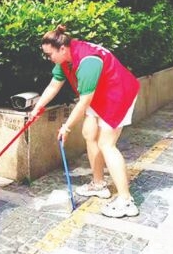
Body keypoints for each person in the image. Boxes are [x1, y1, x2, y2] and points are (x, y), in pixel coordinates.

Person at [30, 25, 140, 218]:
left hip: (118, 94)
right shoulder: (66, 58)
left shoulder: (88, 62)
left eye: (49, 54)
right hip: (100, 93)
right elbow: (54, 85)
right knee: (89, 133)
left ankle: (126, 200)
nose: (49, 58)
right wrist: (37, 107)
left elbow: (84, 102)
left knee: (106, 144)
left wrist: (66, 127)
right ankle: (98, 184)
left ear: (61, 49)